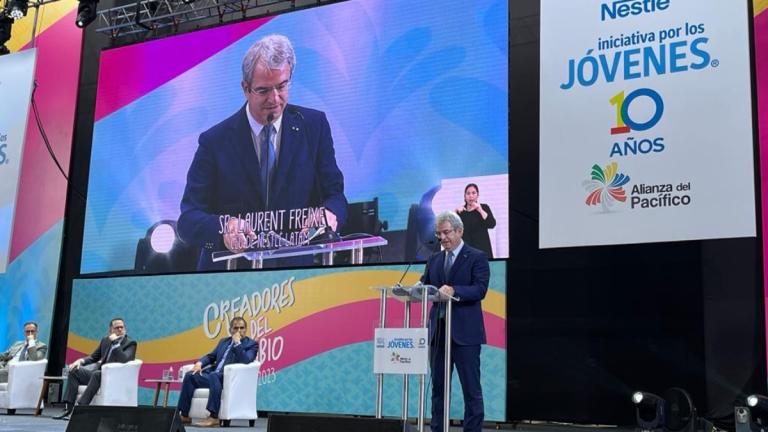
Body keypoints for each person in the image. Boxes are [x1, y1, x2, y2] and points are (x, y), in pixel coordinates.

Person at [178, 33, 348, 270]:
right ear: (245, 88)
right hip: (228, 281)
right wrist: (224, 229)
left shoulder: (314, 126)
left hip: (294, 278)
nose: (275, 99)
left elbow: (335, 196)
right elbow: (188, 219)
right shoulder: (214, 141)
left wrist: (328, 214)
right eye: (263, 90)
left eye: (282, 86)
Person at [421, 211, 489, 432]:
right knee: (438, 390)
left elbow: (480, 289)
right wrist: (413, 289)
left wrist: (454, 290)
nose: (442, 238)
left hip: (465, 335)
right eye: (439, 233)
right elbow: (425, 284)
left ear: (460, 231)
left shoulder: (477, 256)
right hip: (439, 334)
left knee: (471, 390)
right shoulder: (434, 259)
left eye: (447, 232)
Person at [176, 316, 258, 427]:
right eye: (236, 328)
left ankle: (214, 417)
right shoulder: (223, 342)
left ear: (246, 329)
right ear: (230, 330)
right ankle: (184, 415)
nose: (239, 331)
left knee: (214, 375)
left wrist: (238, 344)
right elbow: (211, 357)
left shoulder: (251, 344)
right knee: (190, 375)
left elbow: (246, 360)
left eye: (242, 328)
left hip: (230, 379)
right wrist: (200, 363)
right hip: (214, 376)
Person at [55, 318, 137, 420]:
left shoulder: (131, 343)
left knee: (97, 373)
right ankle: (69, 409)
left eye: (122, 327)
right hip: (100, 376)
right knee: (74, 371)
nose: (120, 329)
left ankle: (80, 408)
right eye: (117, 328)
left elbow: (124, 360)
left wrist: (116, 343)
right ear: (111, 330)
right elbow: (94, 357)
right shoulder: (105, 340)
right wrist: (80, 361)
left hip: (115, 378)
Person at [456, 183, 496, 258]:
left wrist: (480, 210)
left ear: (478, 195)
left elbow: (492, 224)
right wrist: (455, 213)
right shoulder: (461, 211)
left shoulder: (484, 207)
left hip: (483, 250)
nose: (471, 196)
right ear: (464, 196)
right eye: (468, 193)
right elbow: (452, 230)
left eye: (473, 193)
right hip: (466, 252)